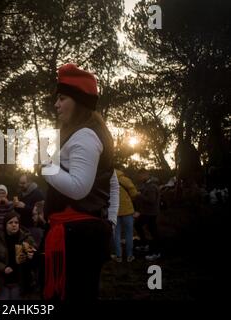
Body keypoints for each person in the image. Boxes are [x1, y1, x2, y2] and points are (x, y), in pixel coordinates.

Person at [41, 63, 118, 301]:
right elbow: (112, 181)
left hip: (76, 238)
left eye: (62, 98)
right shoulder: (86, 133)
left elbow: (78, 188)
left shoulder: (85, 135)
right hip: (79, 235)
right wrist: (110, 222)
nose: (56, 104)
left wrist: (46, 166)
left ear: (78, 101)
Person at [0, 211, 36, 300]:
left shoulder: (27, 238)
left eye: (16, 222)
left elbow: (36, 254)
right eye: (10, 222)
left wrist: (31, 255)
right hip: (2, 282)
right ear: (5, 225)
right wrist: (3, 268)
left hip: (20, 282)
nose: (14, 225)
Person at [134, 168, 161, 261]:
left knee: (153, 231)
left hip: (151, 213)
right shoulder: (147, 185)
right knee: (139, 225)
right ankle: (145, 244)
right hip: (147, 212)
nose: (139, 178)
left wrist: (139, 195)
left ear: (146, 174)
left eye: (140, 176)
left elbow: (151, 200)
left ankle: (156, 252)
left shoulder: (151, 186)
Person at [112, 169, 139, 263]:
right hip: (127, 211)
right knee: (129, 233)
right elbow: (134, 193)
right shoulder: (125, 179)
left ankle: (118, 256)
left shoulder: (108, 180)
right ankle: (129, 256)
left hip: (114, 211)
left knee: (116, 234)